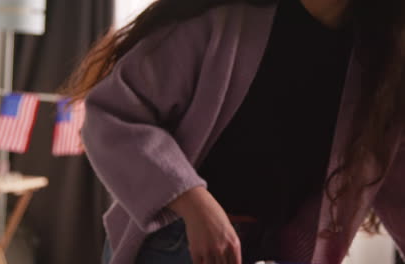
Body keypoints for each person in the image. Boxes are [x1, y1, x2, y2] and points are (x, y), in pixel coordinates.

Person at [65, 0, 405, 263]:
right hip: (176, 242)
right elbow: (111, 115)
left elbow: (396, 179)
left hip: (275, 249)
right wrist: (194, 203)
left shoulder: (383, 62)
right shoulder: (218, 21)